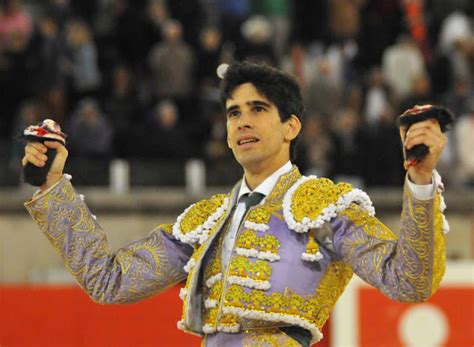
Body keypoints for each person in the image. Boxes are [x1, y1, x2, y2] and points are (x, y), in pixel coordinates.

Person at [22, 62, 448, 347]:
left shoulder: (324, 207)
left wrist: (421, 180)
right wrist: (54, 185)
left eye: (258, 109)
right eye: (232, 113)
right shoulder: (206, 220)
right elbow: (109, 280)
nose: (242, 121)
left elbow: (409, 281)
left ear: (291, 126)